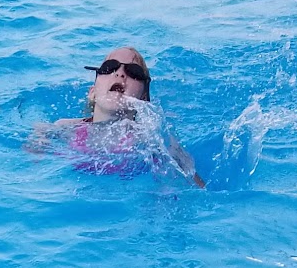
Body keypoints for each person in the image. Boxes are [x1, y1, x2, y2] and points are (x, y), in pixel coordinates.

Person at [51, 45, 204, 187]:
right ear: (92, 92)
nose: (120, 73)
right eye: (109, 67)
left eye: (133, 72)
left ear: (143, 98)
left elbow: (195, 186)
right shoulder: (65, 128)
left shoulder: (154, 138)